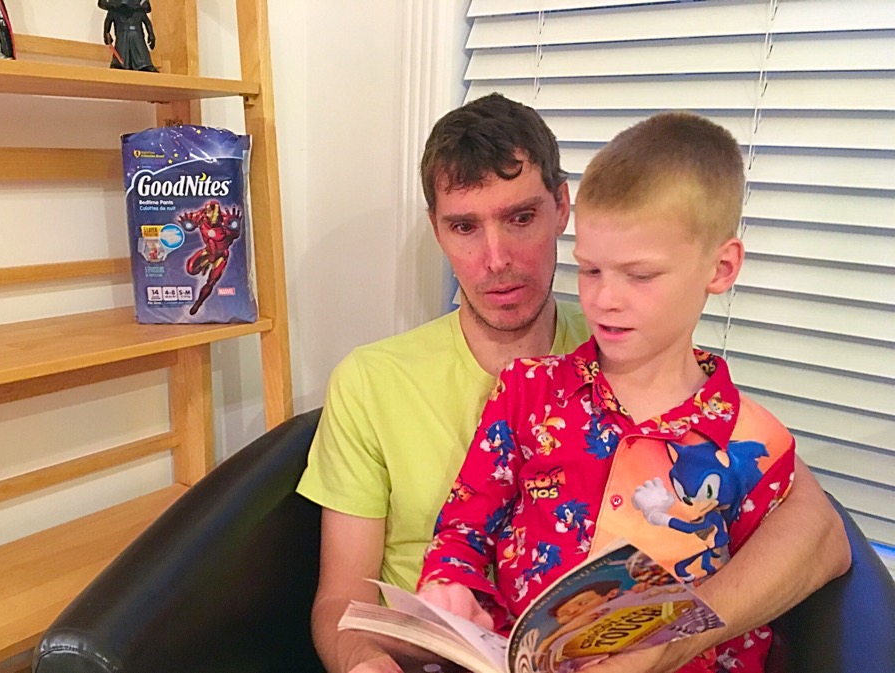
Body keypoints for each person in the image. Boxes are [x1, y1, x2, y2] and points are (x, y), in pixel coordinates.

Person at [296, 94, 850, 673]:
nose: (496, 259)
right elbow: (349, 595)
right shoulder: (396, 381)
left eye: (520, 218)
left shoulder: (659, 363)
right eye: (464, 227)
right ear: (436, 230)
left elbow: (813, 528)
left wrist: (668, 647)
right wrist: (368, 658)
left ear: (562, 208)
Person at [417, 112, 798, 673]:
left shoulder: (754, 445)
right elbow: (463, 529)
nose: (604, 300)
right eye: (591, 271)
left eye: (639, 276)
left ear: (720, 268)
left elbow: (751, 618)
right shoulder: (527, 391)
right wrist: (449, 585)